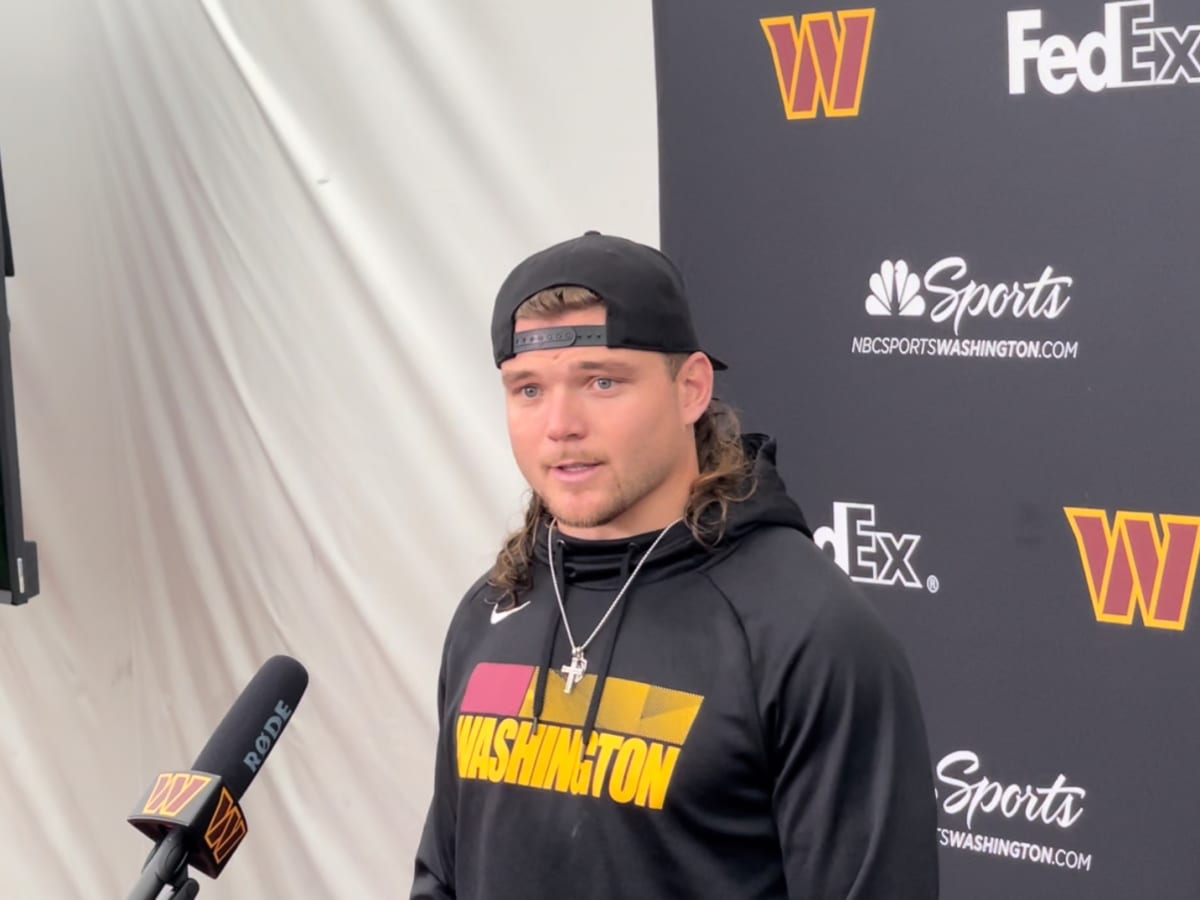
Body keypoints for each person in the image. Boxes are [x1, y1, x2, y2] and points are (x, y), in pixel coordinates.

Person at [411, 231, 939, 899]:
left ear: (690, 389)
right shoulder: (492, 610)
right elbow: (443, 874)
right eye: (528, 390)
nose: (560, 424)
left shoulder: (808, 632)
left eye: (602, 382)